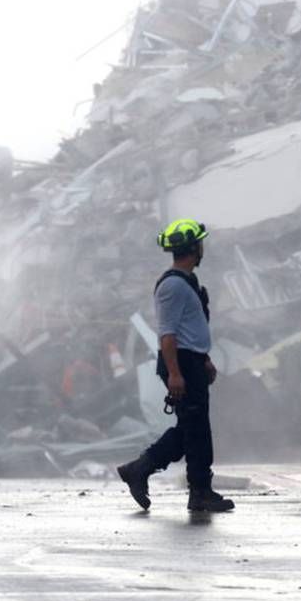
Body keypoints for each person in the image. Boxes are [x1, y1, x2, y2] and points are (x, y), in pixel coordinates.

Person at [117, 219, 234, 513]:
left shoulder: (188, 283)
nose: (202, 247)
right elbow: (167, 335)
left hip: (191, 362)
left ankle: (141, 469)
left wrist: (204, 359)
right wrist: (176, 374)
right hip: (180, 363)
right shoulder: (172, 286)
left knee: (192, 430)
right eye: (200, 243)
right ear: (193, 248)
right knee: (196, 431)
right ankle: (198, 492)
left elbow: (189, 329)